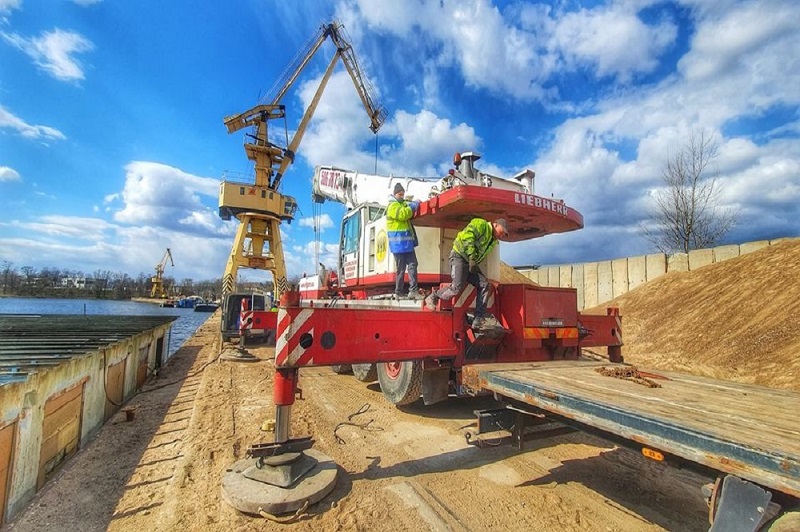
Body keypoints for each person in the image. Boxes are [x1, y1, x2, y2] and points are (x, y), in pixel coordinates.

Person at [425, 217, 509, 328]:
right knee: (456, 288)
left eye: (503, 235)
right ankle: (434, 296)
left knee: (484, 284)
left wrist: (473, 262)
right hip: (459, 257)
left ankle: (478, 318)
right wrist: (472, 258)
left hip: (470, 262)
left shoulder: (492, 241)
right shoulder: (481, 224)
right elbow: (469, 237)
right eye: (502, 232)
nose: (501, 236)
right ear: (496, 225)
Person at [386, 182, 422, 299]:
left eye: (403, 194)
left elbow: (406, 205)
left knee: (405, 267)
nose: (402, 196)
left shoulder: (399, 204)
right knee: (409, 266)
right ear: (395, 194)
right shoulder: (393, 206)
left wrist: (414, 202)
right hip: (400, 243)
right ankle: (409, 291)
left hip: (402, 244)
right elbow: (403, 215)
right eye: (400, 194)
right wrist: (413, 206)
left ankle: (401, 292)